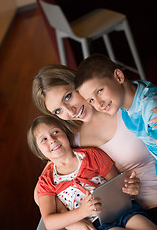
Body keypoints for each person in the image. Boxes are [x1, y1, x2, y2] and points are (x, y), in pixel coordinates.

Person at [32, 64, 157, 228]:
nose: (70, 111)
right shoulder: (70, 138)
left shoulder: (119, 101)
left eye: (68, 96)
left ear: (78, 83)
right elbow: (41, 191)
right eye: (58, 111)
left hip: (147, 206)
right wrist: (72, 222)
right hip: (112, 213)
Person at [27, 115, 157, 230]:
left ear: (66, 134)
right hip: (96, 224)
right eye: (43, 139)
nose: (52, 139)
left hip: (121, 209)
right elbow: (49, 222)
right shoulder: (46, 181)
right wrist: (81, 213)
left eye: (56, 132)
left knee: (143, 224)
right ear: (39, 152)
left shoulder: (91, 155)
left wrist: (128, 186)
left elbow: (116, 182)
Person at [75, 53, 157, 174]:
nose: (99, 103)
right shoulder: (126, 106)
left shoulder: (151, 111)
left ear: (119, 76)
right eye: (91, 100)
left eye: (99, 91)